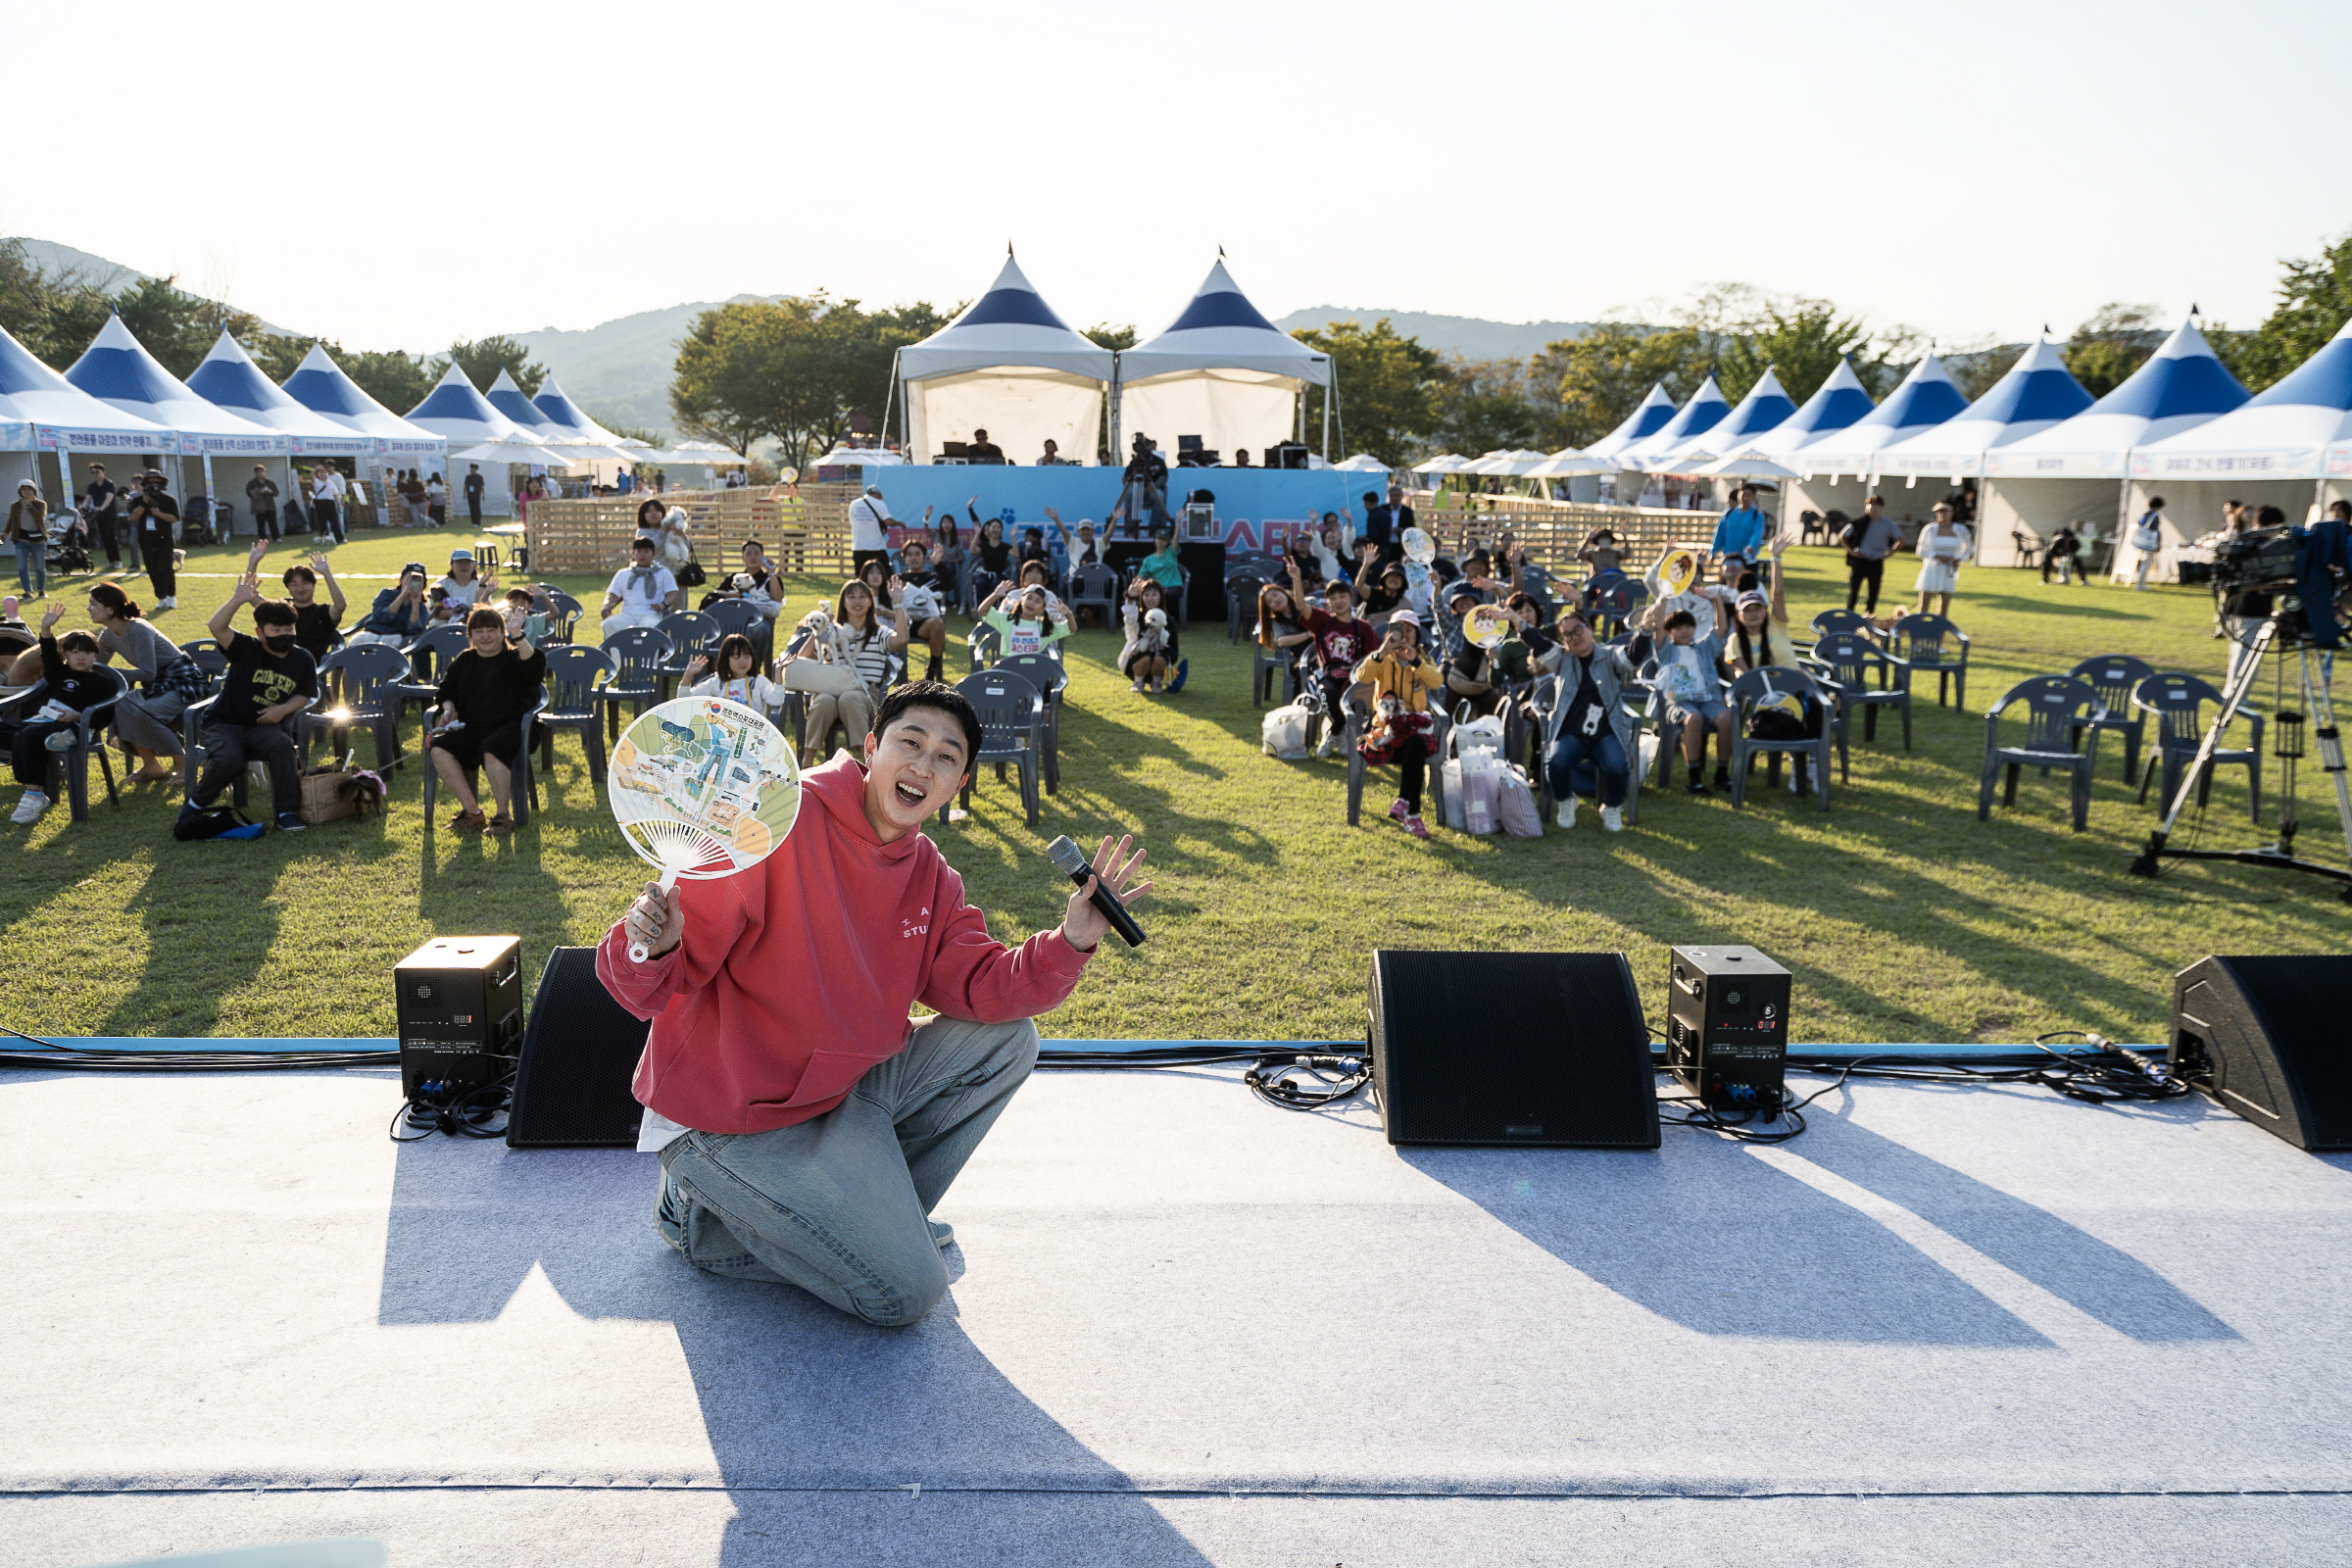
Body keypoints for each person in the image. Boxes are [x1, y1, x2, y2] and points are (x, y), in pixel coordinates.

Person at [600, 678, 1147, 1325]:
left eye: (946, 757)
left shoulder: (930, 875)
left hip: (833, 1094)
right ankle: (701, 1220)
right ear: (869, 747)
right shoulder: (773, 820)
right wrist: (651, 946)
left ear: (960, 783)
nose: (923, 765)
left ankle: (871, 1227)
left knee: (1008, 1041)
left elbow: (983, 986)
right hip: (727, 1120)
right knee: (907, 1292)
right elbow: (651, 982)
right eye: (909, 743)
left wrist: (1072, 941)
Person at [182, 576, 318, 833]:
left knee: (282, 746)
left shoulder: (302, 658)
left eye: (289, 629)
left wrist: (282, 709)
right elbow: (217, 627)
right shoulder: (246, 648)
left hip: (263, 727)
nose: (284, 635)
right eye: (275, 630)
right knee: (229, 759)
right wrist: (237, 599)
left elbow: (305, 694)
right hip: (223, 723)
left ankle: (286, 812)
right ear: (260, 631)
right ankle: (194, 806)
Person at [427, 603, 546, 832]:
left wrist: (518, 635)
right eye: (479, 631)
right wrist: (449, 708)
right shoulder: (465, 660)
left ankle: (502, 815)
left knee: (493, 747)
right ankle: (472, 811)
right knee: (439, 748)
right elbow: (446, 690)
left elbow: (534, 669)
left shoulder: (514, 657)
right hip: (474, 729)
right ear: (470, 635)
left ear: (502, 633)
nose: (485, 636)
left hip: (516, 728)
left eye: (492, 630)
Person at [86, 581, 201, 783]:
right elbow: (96, 668)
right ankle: (152, 766)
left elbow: (148, 673)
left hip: (184, 684)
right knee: (120, 706)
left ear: (111, 609)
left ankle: (184, 765)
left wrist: (111, 672)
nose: (88, 609)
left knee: (145, 712)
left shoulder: (139, 629)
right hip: (157, 687)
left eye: (93, 604)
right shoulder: (107, 635)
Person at [8, 606, 114, 824]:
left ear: (96, 655)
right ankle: (48, 758)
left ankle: (34, 794)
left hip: (77, 726)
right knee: (16, 734)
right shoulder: (59, 673)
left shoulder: (103, 682)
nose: (81, 657)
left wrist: (78, 716)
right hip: (45, 722)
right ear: (65, 654)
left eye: (86, 652)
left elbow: (105, 716)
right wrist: (46, 627)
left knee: (30, 736)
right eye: (74, 652)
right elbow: (47, 651)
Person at [1537, 610, 1639, 832]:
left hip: (1606, 731)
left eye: (1578, 630)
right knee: (1556, 763)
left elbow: (1632, 657)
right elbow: (1540, 645)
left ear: (1589, 629)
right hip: (1571, 732)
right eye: (1568, 635)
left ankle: (1611, 807)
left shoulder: (1610, 655)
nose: (1575, 637)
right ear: (1564, 641)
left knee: (1618, 767)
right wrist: (1516, 621)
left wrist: (1646, 631)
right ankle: (1566, 801)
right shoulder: (1562, 659)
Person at [784, 577, 907, 755]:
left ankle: (866, 760)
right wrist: (820, 629)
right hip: (829, 689)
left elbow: (901, 640)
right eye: (851, 597)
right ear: (843, 602)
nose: (857, 601)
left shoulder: (879, 633)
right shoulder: (832, 632)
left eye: (862, 596)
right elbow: (804, 659)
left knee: (849, 698)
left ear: (870, 601)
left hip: (864, 693)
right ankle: (807, 761)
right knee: (823, 700)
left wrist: (897, 603)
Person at [1351, 611, 1445, 840]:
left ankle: (1404, 802)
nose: (1404, 635)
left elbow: (1437, 681)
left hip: (1414, 730)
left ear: (1417, 635)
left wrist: (1415, 661)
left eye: (1409, 630)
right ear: (1390, 633)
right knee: (1415, 750)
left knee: (1416, 743)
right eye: (1398, 629)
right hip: (1385, 732)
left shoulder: (1423, 660)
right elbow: (1362, 678)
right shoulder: (1382, 659)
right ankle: (1413, 815)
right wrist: (1382, 653)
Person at [1648, 605, 1733, 795]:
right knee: (1693, 718)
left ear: (1694, 629)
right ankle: (1694, 779)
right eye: (1678, 628)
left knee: (1727, 718)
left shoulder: (1703, 649)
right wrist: (1663, 598)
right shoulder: (1666, 651)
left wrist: (1717, 600)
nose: (1684, 631)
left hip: (1707, 699)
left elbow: (1722, 628)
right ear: (1670, 632)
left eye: (1688, 626)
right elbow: (1658, 628)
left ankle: (1721, 773)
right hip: (1678, 701)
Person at [122, 470, 181, 610]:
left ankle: (171, 597)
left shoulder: (168, 500)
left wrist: (159, 514)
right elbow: (134, 517)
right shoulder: (137, 500)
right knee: (153, 570)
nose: (154, 484)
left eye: (157, 481)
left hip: (164, 539)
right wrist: (144, 504)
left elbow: (175, 518)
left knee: (166, 568)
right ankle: (161, 598)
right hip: (146, 540)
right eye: (150, 481)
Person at [684, 632, 783, 714]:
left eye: (747, 657)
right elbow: (685, 700)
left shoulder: (758, 682)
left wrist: (778, 673)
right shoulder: (717, 682)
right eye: (736, 658)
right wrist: (688, 675)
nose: (742, 662)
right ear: (726, 660)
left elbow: (777, 700)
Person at [602, 535, 680, 638]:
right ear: (633, 553)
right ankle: (618, 653)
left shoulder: (663, 573)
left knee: (651, 626)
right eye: (639, 551)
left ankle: (648, 654)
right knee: (608, 624)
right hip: (628, 614)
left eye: (647, 551)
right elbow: (613, 595)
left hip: (651, 614)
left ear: (653, 554)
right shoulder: (623, 574)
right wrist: (607, 606)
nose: (642, 555)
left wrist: (663, 604)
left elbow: (672, 594)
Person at [349, 563, 435, 647]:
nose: (411, 583)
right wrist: (402, 595)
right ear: (401, 580)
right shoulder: (386, 594)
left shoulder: (422, 608)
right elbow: (383, 617)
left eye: (418, 581)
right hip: (371, 633)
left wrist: (415, 604)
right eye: (409, 578)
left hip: (394, 638)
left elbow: (413, 630)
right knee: (356, 642)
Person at [1841, 494, 1902, 612]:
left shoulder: (1888, 524)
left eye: (1877, 506)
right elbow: (1842, 536)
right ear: (1866, 507)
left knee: (1873, 591)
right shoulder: (1858, 523)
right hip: (1860, 560)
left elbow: (1901, 540)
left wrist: (1889, 554)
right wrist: (1851, 551)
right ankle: (1849, 614)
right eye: (1871, 505)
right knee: (1854, 591)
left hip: (1876, 561)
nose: (1874, 508)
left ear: (1882, 508)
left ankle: (1869, 616)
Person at [979, 582, 1070, 660]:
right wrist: (995, 595)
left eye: (1037, 601)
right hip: (1008, 670)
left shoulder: (1044, 627)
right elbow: (983, 611)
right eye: (1029, 598)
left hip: (1033, 673)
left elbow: (1071, 629)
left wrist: (1068, 614)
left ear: (1042, 608)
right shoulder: (1008, 620)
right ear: (1022, 599)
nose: (1031, 603)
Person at [1119, 577, 1178, 693]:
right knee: (1145, 657)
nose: (1150, 598)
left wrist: (1164, 648)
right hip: (1136, 661)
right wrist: (1130, 598)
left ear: (1161, 597)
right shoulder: (1137, 616)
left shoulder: (1168, 620)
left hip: (1159, 662)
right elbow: (1129, 616)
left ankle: (1156, 683)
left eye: (1154, 595)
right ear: (1141, 597)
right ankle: (1138, 681)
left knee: (1159, 658)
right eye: (1146, 595)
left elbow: (1174, 649)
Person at [1914, 502, 1973, 615]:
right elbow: (1921, 550)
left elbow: (1968, 548)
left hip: (1948, 570)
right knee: (1924, 605)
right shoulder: (1929, 529)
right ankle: (1919, 630)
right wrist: (1936, 556)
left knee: (1944, 607)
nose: (1942, 514)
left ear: (1952, 513)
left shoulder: (1960, 529)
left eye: (1945, 511)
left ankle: (1939, 632)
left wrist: (1958, 559)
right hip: (1931, 569)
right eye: (1938, 512)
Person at [1118, 432, 1171, 534]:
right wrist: (1130, 482)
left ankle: (1154, 527)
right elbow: (1125, 479)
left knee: (1159, 495)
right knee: (1128, 493)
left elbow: (1164, 478)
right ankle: (1130, 526)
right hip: (1136, 489)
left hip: (1152, 490)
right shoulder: (1134, 462)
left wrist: (1152, 488)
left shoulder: (1158, 461)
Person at [1711, 484, 1770, 570]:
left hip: (1747, 559)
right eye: (1743, 495)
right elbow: (1720, 533)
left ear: (1753, 497)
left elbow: (1757, 533)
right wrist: (1713, 551)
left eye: (1748, 495)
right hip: (1729, 557)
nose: (1745, 498)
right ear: (1738, 495)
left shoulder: (1757, 515)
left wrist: (1751, 546)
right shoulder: (1728, 513)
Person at [6, 483, 46, 601]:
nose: (27, 492)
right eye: (24, 489)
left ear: (34, 491)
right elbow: (11, 520)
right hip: (21, 539)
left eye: (29, 489)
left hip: (37, 540)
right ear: (20, 491)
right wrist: (5, 533)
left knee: (39, 567)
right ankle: (27, 592)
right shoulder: (15, 505)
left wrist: (29, 505)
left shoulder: (40, 504)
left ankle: (41, 591)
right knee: (22, 567)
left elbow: (39, 517)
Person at [82, 463, 123, 570]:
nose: (95, 474)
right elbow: (88, 498)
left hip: (110, 514)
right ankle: (110, 561)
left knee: (112, 538)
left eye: (97, 472)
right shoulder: (92, 486)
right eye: (93, 473)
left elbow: (109, 498)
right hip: (99, 515)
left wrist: (101, 508)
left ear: (103, 472)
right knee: (104, 538)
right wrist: (82, 507)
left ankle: (117, 561)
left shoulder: (109, 484)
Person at [433, 549, 493, 621]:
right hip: (443, 624)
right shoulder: (441, 584)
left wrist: (483, 585)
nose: (464, 566)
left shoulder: (479, 585)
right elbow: (433, 609)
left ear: (473, 565)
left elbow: (485, 609)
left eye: (467, 563)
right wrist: (448, 614)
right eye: (459, 563)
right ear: (452, 565)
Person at [849, 484, 895, 575]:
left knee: (861, 576)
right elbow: (888, 521)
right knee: (885, 574)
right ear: (877, 495)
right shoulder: (879, 503)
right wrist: (899, 523)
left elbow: (852, 521)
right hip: (876, 547)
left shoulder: (854, 504)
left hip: (858, 547)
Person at [1363, 484, 1413, 563]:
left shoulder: (1407, 511)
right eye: (1393, 495)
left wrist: (1399, 530)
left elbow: (1411, 528)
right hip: (1384, 544)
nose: (1395, 498)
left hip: (1399, 544)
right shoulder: (1383, 509)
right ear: (1389, 496)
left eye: (1397, 495)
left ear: (1402, 496)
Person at [2130, 496, 2166, 591]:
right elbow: (2155, 531)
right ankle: (2140, 584)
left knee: (2141, 562)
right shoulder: (2155, 516)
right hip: (2149, 543)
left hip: (2140, 540)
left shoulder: (2144, 513)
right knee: (2146, 563)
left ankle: (2139, 583)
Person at [310, 463, 345, 545]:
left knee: (334, 521)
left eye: (323, 473)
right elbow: (311, 476)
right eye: (319, 473)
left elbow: (335, 494)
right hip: (320, 503)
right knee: (322, 522)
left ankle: (340, 539)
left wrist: (339, 503)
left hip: (330, 503)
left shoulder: (331, 483)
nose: (321, 474)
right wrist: (316, 469)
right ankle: (324, 538)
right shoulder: (317, 482)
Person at [245, 466, 281, 543]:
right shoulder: (252, 483)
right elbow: (248, 493)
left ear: (264, 472)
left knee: (273, 523)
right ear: (255, 473)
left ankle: (276, 538)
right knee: (261, 524)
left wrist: (270, 491)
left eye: (262, 471)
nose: (260, 473)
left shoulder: (270, 482)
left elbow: (276, 492)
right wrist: (258, 491)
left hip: (270, 505)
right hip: (259, 506)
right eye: (258, 472)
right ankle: (262, 539)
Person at [463, 464, 485, 529]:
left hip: (477, 495)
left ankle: (478, 522)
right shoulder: (468, 477)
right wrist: (464, 494)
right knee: (471, 509)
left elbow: (482, 486)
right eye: (471, 468)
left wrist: (483, 495)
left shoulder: (479, 477)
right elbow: (466, 486)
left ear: (476, 469)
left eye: (472, 468)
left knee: (476, 508)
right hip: (470, 495)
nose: (471, 470)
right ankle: (473, 522)